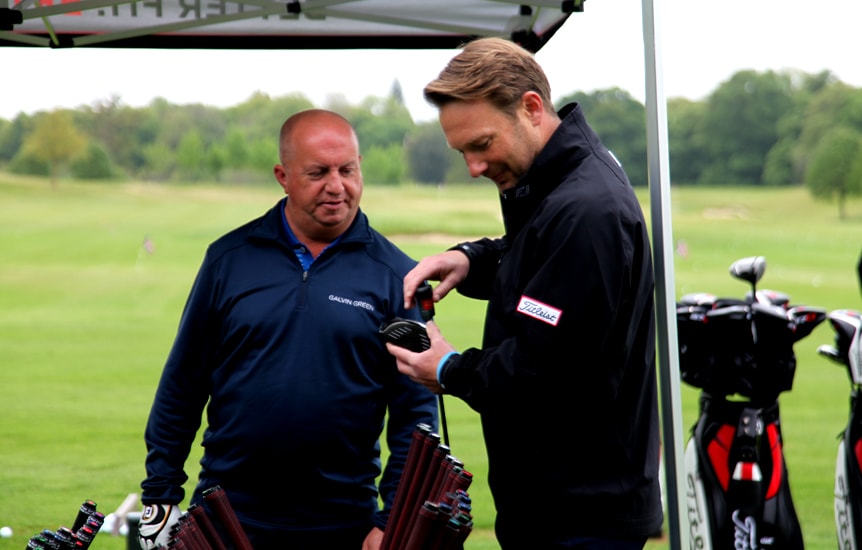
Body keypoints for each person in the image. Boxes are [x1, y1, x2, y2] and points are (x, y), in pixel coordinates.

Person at [386, 37, 664, 549]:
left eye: (481, 144)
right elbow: (539, 262)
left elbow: (544, 371)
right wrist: (472, 259)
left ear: (531, 108)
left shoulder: (586, 208)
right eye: (462, 151)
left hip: (583, 514)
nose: (473, 166)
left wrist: (448, 368)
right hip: (559, 503)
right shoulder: (556, 182)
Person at [138, 109, 438, 550]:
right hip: (227, 518)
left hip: (344, 525)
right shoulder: (228, 260)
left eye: (348, 170)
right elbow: (183, 383)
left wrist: (393, 516)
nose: (337, 186)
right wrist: (160, 495)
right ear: (283, 175)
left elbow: (416, 415)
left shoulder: (398, 277)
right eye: (318, 172)